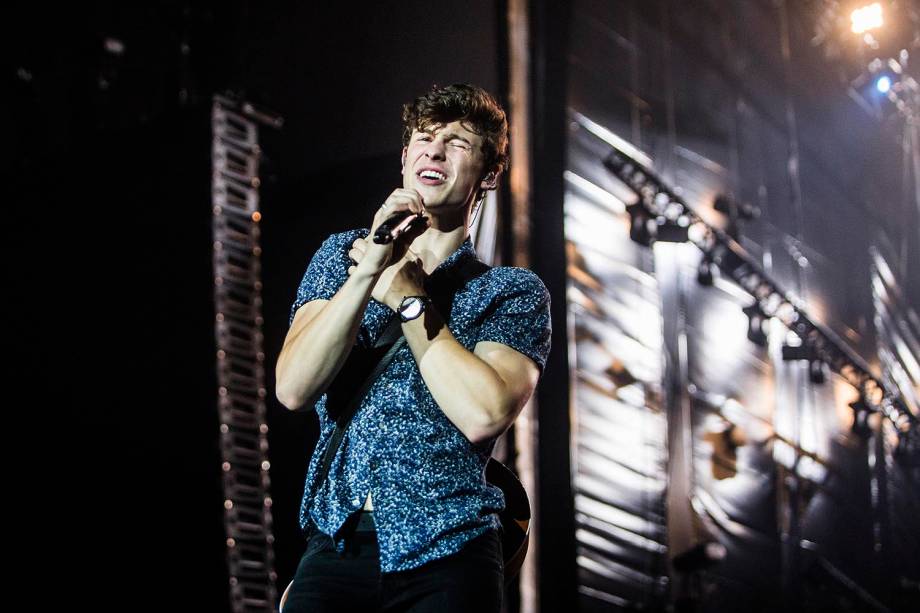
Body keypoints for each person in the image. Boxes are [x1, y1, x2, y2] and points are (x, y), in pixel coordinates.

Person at [275, 83, 551, 612]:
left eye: (458, 143)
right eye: (424, 138)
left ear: (489, 174)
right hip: (338, 539)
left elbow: (483, 412)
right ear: (404, 157)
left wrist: (410, 303)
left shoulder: (510, 292)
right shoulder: (342, 256)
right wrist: (369, 272)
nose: (435, 150)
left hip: (450, 548)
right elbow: (293, 388)